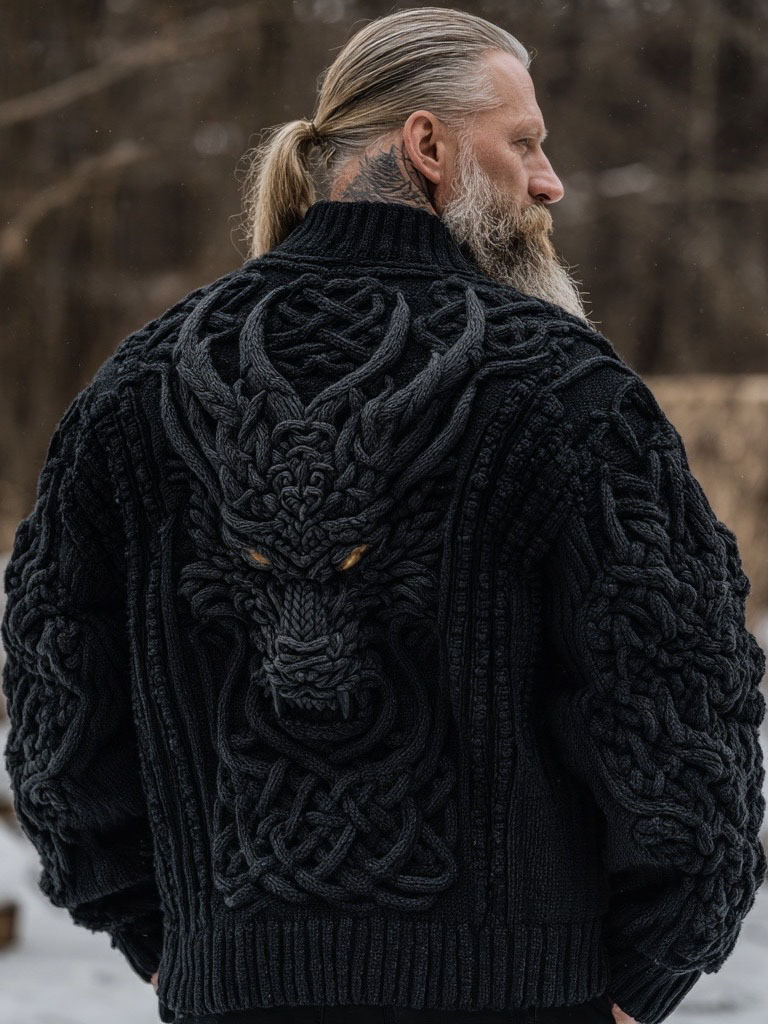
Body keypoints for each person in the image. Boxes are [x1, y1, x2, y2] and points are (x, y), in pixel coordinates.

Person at [2, 8, 765, 1024]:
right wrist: (650, 970)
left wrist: (172, 941)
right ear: (428, 145)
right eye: (524, 143)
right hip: (526, 1000)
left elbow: (56, 707)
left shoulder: (138, 388)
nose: (550, 183)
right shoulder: (565, 387)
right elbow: (683, 705)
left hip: (235, 998)